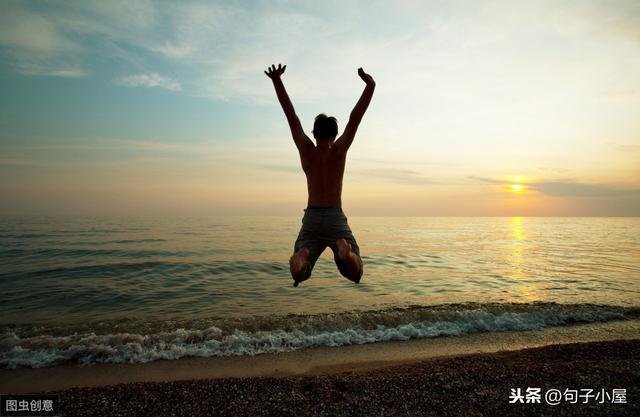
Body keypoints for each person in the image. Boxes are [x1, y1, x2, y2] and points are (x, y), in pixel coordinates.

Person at [264, 63, 375, 287]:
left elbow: (291, 116)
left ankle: (302, 257)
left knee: (300, 275)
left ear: (313, 133)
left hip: (312, 217)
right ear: (335, 134)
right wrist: (370, 86)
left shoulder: (307, 151)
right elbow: (355, 118)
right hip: (335, 217)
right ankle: (347, 253)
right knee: (355, 273)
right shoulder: (339, 150)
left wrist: (277, 80)